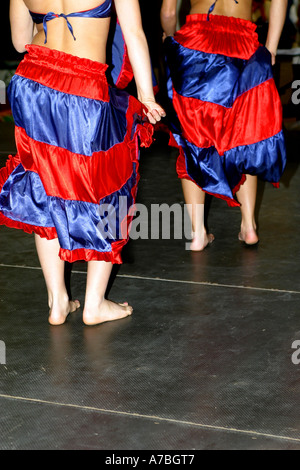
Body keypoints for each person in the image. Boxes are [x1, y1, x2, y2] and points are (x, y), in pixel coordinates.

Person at [0, 0, 165, 326]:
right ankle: (94, 304)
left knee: (43, 185)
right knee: (107, 187)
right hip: (83, 88)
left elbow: (21, 42)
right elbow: (133, 31)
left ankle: (58, 300)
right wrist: (146, 96)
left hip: (32, 82)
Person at [161, 0, 287, 250]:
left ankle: (198, 234)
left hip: (195, 42)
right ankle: (249, 226)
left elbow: (168, 11)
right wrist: (270, 48)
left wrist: (167, 35)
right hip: (243, 46)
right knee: (244, 136)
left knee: (193, 139)